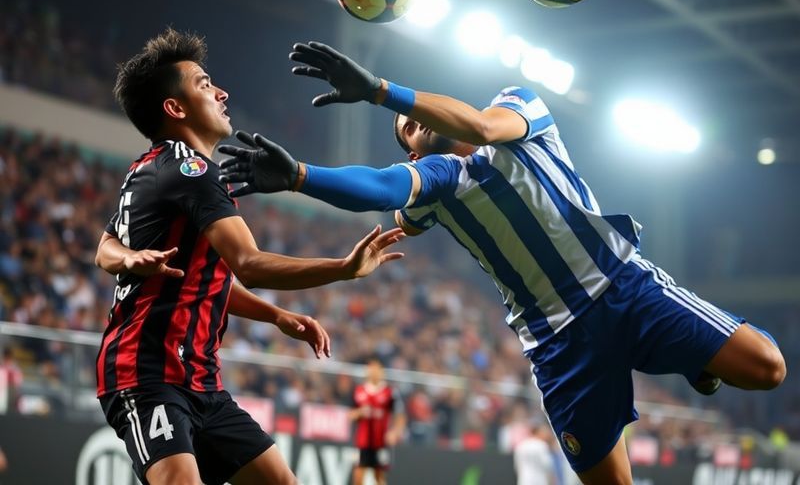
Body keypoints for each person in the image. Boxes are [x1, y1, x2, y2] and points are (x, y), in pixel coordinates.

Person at [217, 41, 787, 485]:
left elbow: (484, 127)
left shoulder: (518, 109)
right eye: (405, 132)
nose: (411, 125)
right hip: (558, 347)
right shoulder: (437, 185)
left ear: (444, 105)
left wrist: (381, 91)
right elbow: (381, 187)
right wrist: (299, 176)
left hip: (622, 286)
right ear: (415, 152)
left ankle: (696, 359)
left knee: (768, 369)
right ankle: (693, 359)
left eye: (415, 114)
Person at [94, 29, 405, 485]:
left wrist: (275, 315)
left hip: (199, 378)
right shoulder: (192, 170)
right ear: (175, 108)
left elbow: (108, 248)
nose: (221, 92)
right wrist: (344, 268)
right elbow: (250, 265)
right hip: (146, 372)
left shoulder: (148, 167)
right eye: (203, 84)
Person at [348, 358, 405, 485]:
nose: (373, 372)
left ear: (381, 371)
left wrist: (395, 432)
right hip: (361, 442)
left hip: (381, 442)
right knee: (358, 477)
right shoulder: (359, 391)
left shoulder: (390, 392)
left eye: (376, 369)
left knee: (379, 477)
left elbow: (400, 415)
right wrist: (359, 413)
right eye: (370, 368)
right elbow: (350, 415)